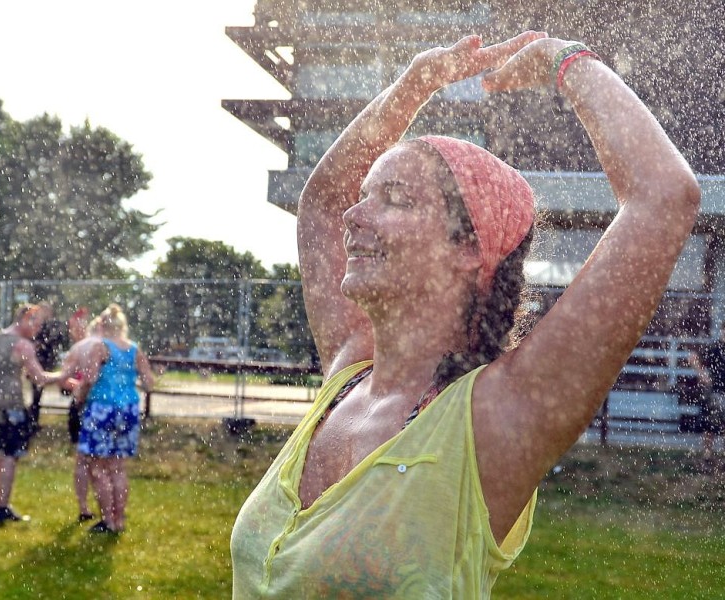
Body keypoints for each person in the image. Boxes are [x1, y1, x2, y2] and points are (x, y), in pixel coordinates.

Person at [230, 31, 700, 597]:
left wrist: (567, 61)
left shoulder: (499, 417)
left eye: (396, 199)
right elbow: (324, 201)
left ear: (468, 251)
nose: (357, 214)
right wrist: (414, 84)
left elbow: (664, 196)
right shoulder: (348, 373)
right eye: (368, 193)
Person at [0, 303, 67, 524]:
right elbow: (39, 378)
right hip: (12, 407)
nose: (38, 330)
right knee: (9, 457)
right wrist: (65, 374)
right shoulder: (22, 345)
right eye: (37, 324)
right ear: (27, 318)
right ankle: (2, 507)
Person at [70, 304, 155, 533]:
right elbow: (149, 382)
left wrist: (79, 395)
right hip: (128, 409)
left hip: (102, 409)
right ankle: (119, 520)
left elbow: (89, 377)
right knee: (118, 468)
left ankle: (107, 520)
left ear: (103, 325)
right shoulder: (134, 349)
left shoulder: (101, 346)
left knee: (98, 469)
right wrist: (127, 381)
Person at [59, 307, 96, 522]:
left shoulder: (99, 348)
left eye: (78, 326)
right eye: (73, 327)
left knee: (98, 461)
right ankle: (84, 507)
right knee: (84, 460)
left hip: (96, 407)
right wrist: (79, 385)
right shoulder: (75, 351)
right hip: (81, 408)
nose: (75, 331)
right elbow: (63, 381)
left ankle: (104, 507)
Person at [30, 302, 70, 427]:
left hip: (47, 361)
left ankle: (32, 419)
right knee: (36, 392)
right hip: (38, 361)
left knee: (39, 392)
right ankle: (32, 419)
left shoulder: (54, 325)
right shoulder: (36, 325)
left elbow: (58, 339)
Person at [689, 329, 725, 460]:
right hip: (715, 391)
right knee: (709, 425)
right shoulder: (714, 348)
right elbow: (693, 357)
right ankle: (707, 455)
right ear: (722, 331)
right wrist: (702, 374)